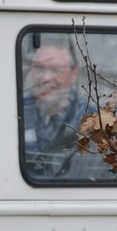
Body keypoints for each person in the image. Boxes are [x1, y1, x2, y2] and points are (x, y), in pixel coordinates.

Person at [21, 42, 99, 179]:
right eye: (39, 68)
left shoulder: (93, 120)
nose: (45, 78)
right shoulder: (17, 113)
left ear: (73, 74)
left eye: (55, 70)